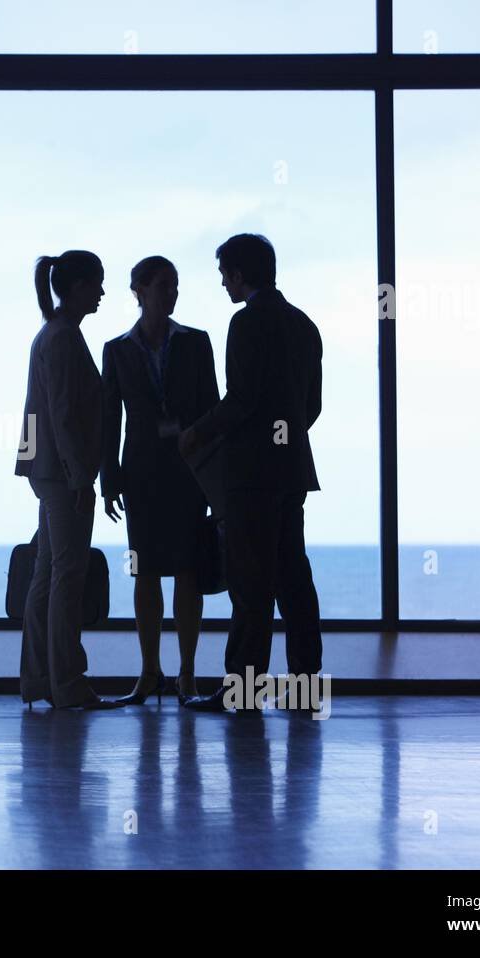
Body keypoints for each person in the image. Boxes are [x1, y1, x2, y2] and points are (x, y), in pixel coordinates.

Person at [178, 234, 323, 713]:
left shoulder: (245, 323)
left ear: (240, 275)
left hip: (249, 474)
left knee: (249, 584)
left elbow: (240, 401)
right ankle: (304, 686)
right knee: (293, 578)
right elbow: (311, 407)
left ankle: (243, 691)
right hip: (292, 470)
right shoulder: (305, 325)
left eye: (225, 275)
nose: (223, 284)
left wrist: (197, 433)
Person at [101, 256, 220, 705]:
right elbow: (109, 417)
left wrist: (213, 477)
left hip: (189, 471)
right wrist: (108, 477)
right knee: (145, 570)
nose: (171, 294)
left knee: (188, 570)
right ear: (139, 291)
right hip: (142, 474)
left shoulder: (196, 343)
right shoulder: (117, 350)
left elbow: (211, 408)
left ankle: (186, 675)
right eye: (163, 286)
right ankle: (150, 672)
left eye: (174, 286)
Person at [14, 251, 122, 710]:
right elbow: (63, 414)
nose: (101, 292)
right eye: (96, 283)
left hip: (47, 470)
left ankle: (40, 678)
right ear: (76, 286)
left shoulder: (55, 335)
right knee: (67, 574)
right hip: (62, 474)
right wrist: (82, 477)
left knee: (48, 573)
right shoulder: (62, 339)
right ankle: (67, 681)